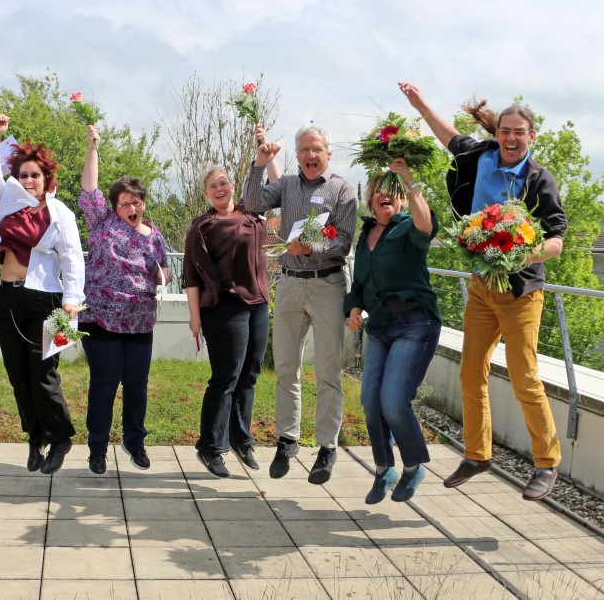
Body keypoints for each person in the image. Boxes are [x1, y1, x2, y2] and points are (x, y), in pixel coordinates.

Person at [399, 82, 567, 501]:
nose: (511, 138)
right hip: (480, 289)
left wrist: (520, 257)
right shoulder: (479, 157)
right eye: (505, 131)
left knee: (524, 377)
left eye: (519, 132)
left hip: (521, 292)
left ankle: (547, 464)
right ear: (498, 134)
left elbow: (557, 240)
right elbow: (446, 135)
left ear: (531, 137)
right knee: (470, 371)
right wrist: (419, 103)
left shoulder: (538, 179)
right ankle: (478, 455)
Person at [243, 123, 358, 485]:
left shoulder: (342, 190)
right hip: (291, 285)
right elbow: (251, 203)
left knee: (327, 372)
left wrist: (315, 247)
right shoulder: (288, 185)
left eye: (317, 149)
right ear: (297, 155)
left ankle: (327, 447)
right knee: (286, 369)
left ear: (328, 152)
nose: (311, 155)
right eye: (304, 150)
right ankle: (288, 440)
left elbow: (344, 242)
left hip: (328, 285)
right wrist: (259, 164)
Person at [0, 114, 85, 475]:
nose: (28, 180)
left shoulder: (60, 214)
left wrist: (73, 301)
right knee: (17, 374)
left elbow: (72, 259)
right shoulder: (6, 202)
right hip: (8, 300)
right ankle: (34, 436)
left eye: (35, 175)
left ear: (46, 181)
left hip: (50, 302)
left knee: (44, 374)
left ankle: (60, 437)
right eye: (23, 174)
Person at [345, 159, 440, 504]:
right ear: (370, 199)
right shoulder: (365, 236)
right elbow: (358, 286)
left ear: (399, 200)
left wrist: (408, 179)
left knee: (394, 401)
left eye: (392, 191)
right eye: (378, 190)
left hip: (416, 324)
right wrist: (354, 309)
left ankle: (414, 466)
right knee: (370, 401)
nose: (385, 195)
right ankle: (385, 468)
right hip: (381, 329)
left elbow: (426, 223)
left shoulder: (407, 229)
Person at [77, 125, 170, 474]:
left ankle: (134, 441)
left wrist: (165, 275)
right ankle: (97, 448)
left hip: (140, 320)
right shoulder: (102, 222)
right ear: (114, 206)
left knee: (136, 386)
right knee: (103, 384)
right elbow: (90, 187)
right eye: (125, 203)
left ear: (143, 203)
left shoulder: (155, 236)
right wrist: (93, 148)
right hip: (100, 317)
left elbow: (162, 272)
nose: (132, 207)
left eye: (137, 202)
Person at [183, 168, 271, 478]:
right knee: (226, 378)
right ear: (206, 194)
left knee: (250, 374)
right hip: (224, 308)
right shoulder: (203, 227)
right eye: (212, 186)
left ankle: (240, 439)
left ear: (232, 186)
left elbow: (273, 188)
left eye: (223, 183)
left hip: (258, 305)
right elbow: (190, 277)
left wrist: (263, 159)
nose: (219, 189)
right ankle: (209, 447)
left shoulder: (252, 214)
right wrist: (195, 318)